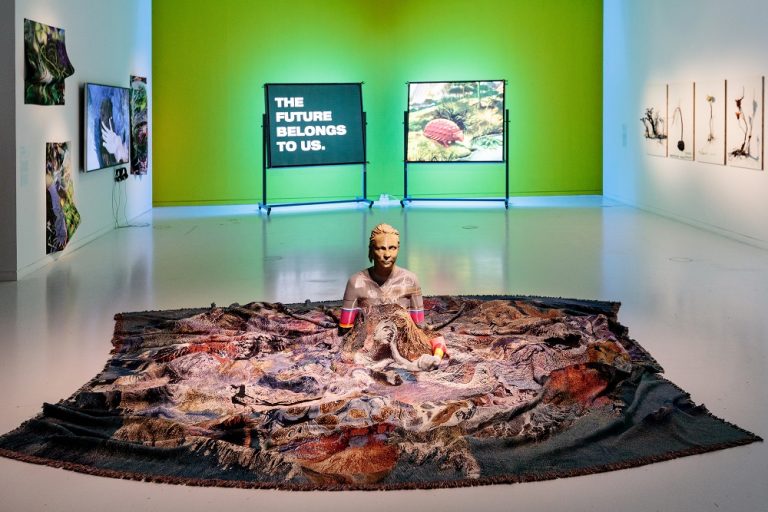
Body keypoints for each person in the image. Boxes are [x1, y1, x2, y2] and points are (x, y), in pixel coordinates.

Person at [340, 223, 447, 363]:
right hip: (368, 346)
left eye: (392, 248)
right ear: (371, 249)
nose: (387, 255)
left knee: (432, 343)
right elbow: (345, 328)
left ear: (398, 248)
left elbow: (419, 325)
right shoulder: (356, 282)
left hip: (405, 345)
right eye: (381, 248)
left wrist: (436, 352)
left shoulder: (410, 280)